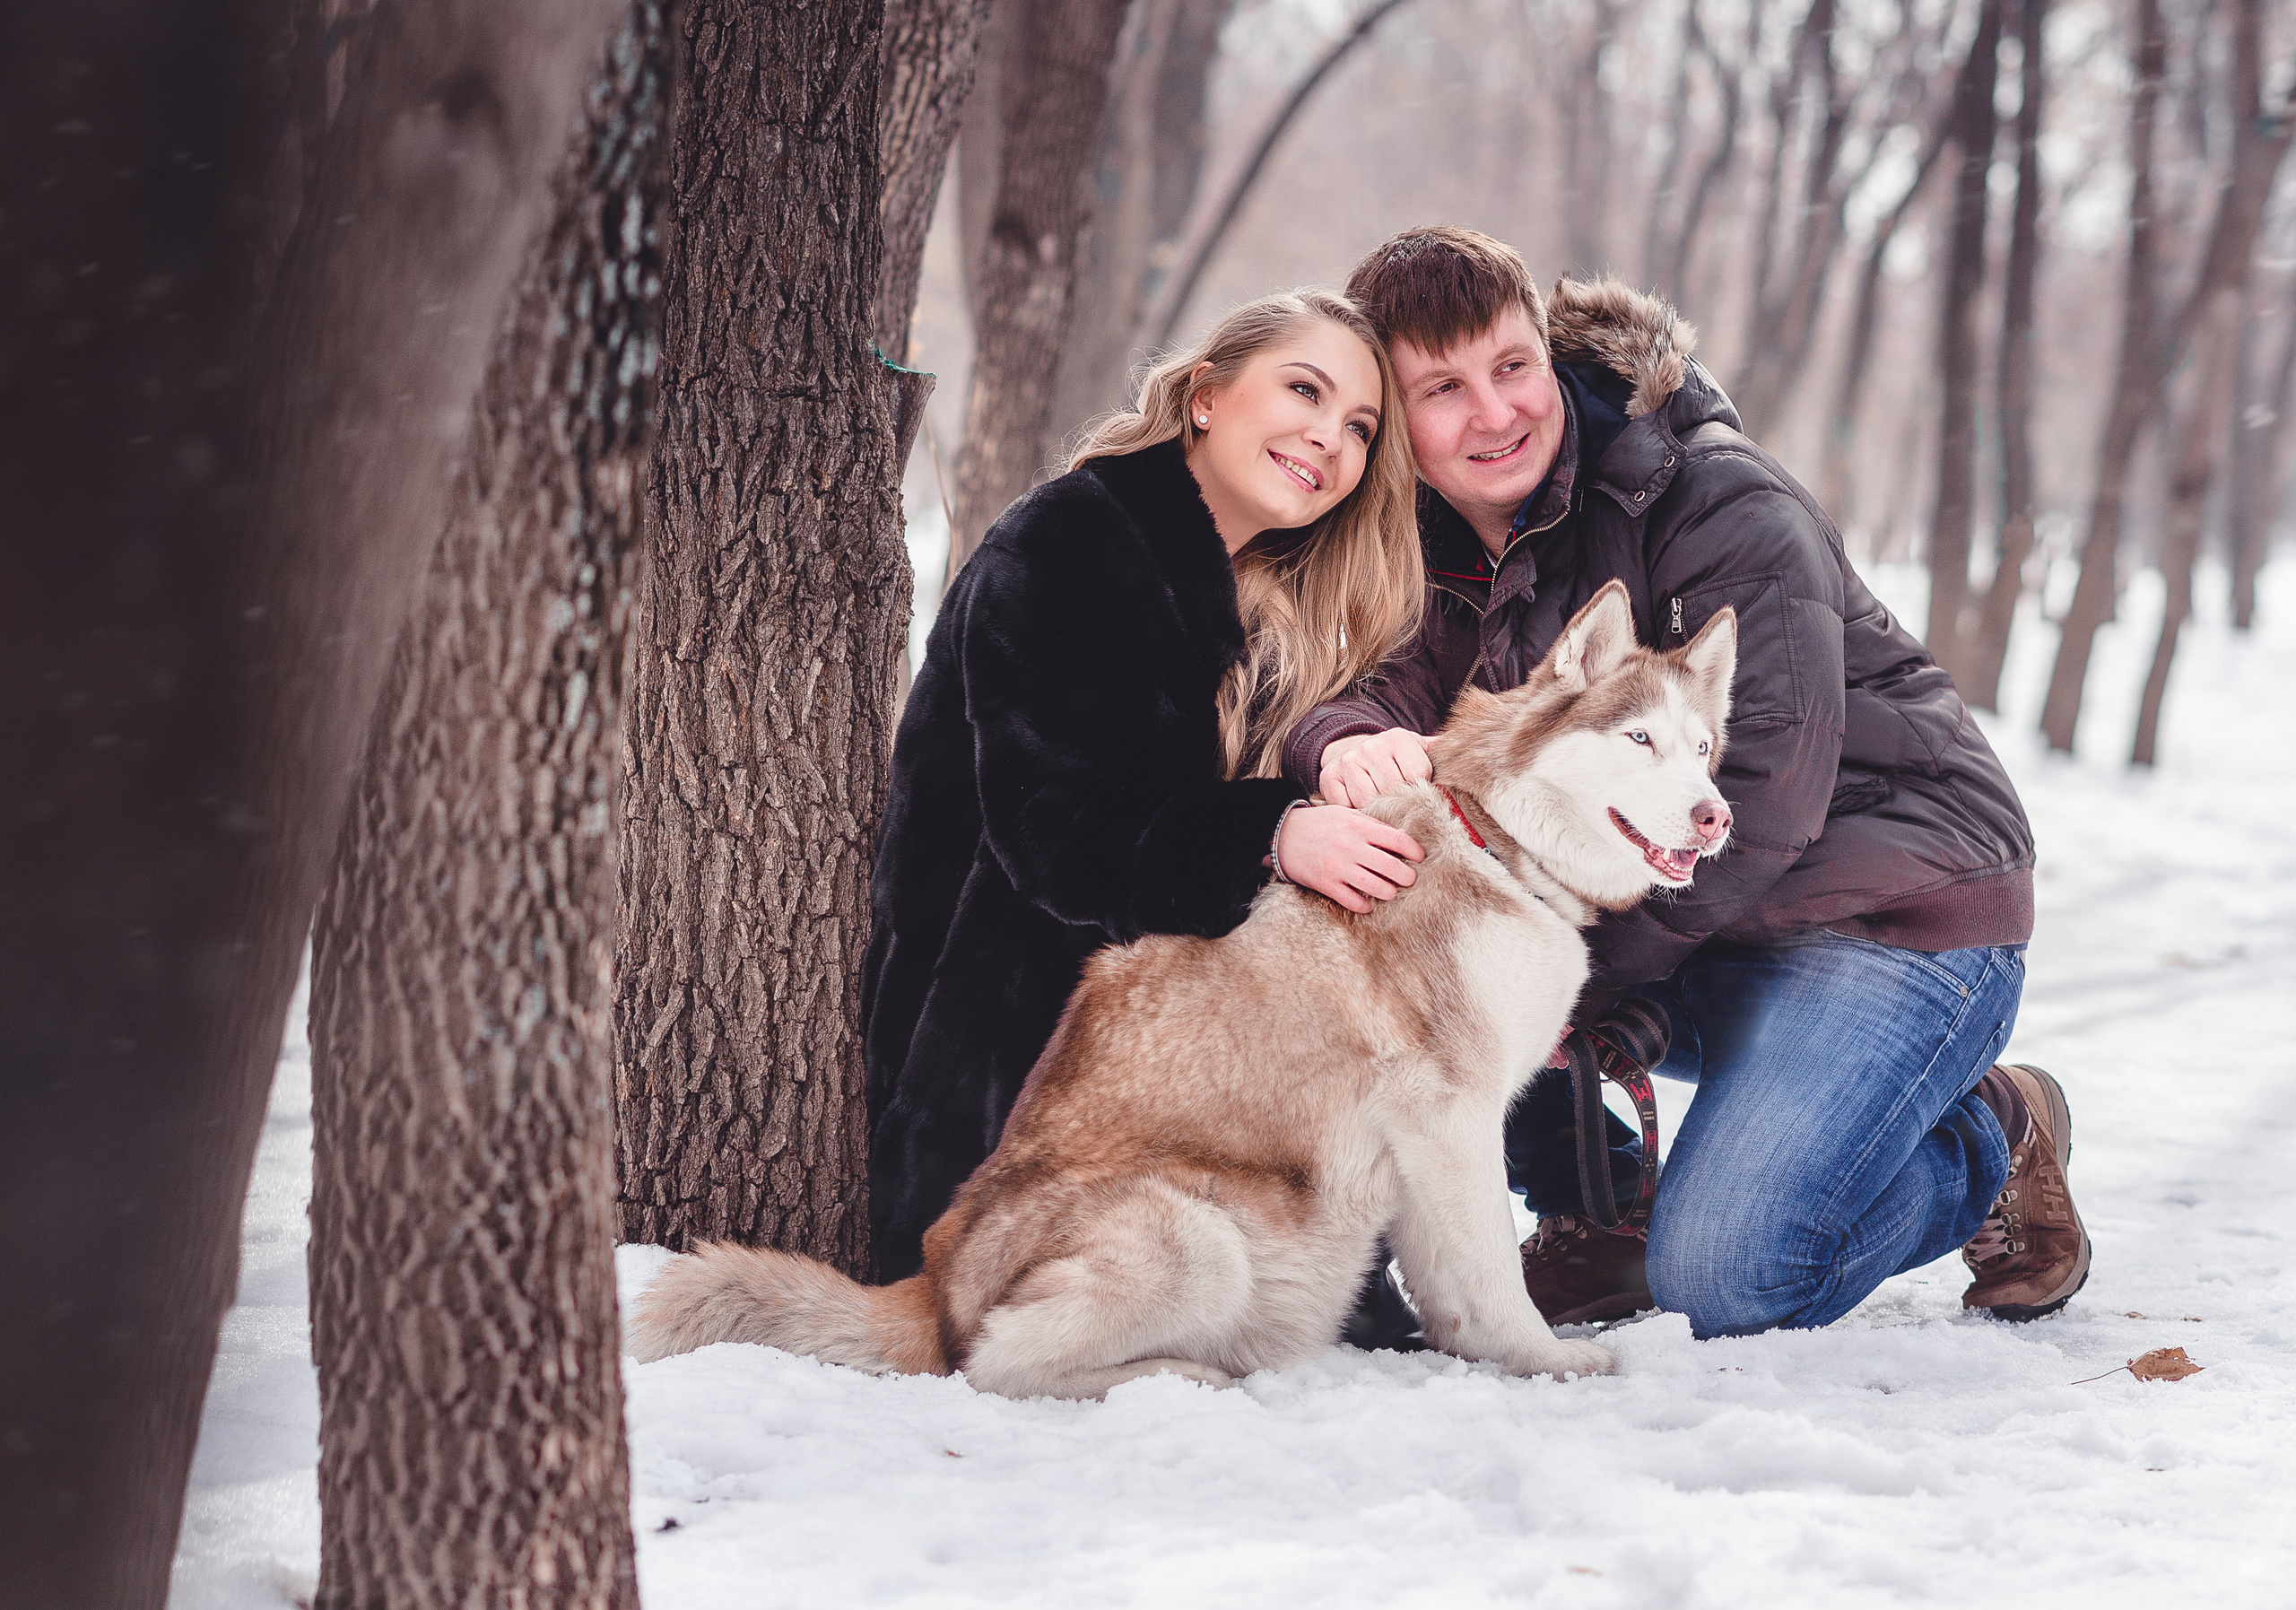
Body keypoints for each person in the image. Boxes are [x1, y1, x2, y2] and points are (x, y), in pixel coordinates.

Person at [1284, 227, 2087, 1339]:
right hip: (1696, 937)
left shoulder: (1710, 499)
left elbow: (1764, 792)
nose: (1495, 412)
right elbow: (1365, 686)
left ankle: (1995, 1129)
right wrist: (1336, 745)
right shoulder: (1420, 545)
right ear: (1391, 416)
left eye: (1512, 366)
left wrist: (1584, 976)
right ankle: (1601, 1212)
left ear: (1547, 352)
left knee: (1732, 1277)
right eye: (1444, 389)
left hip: (1888, 918)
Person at [864, 289, 1431, 1281]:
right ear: (1205, 396)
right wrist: (1275, 833)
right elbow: (1057, 839)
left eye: (1358, 427)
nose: (1328, 439)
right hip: (997, 1064)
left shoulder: (1254, 602)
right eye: (1303, 389)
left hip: (1127, 1046)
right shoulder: (1075, 541)